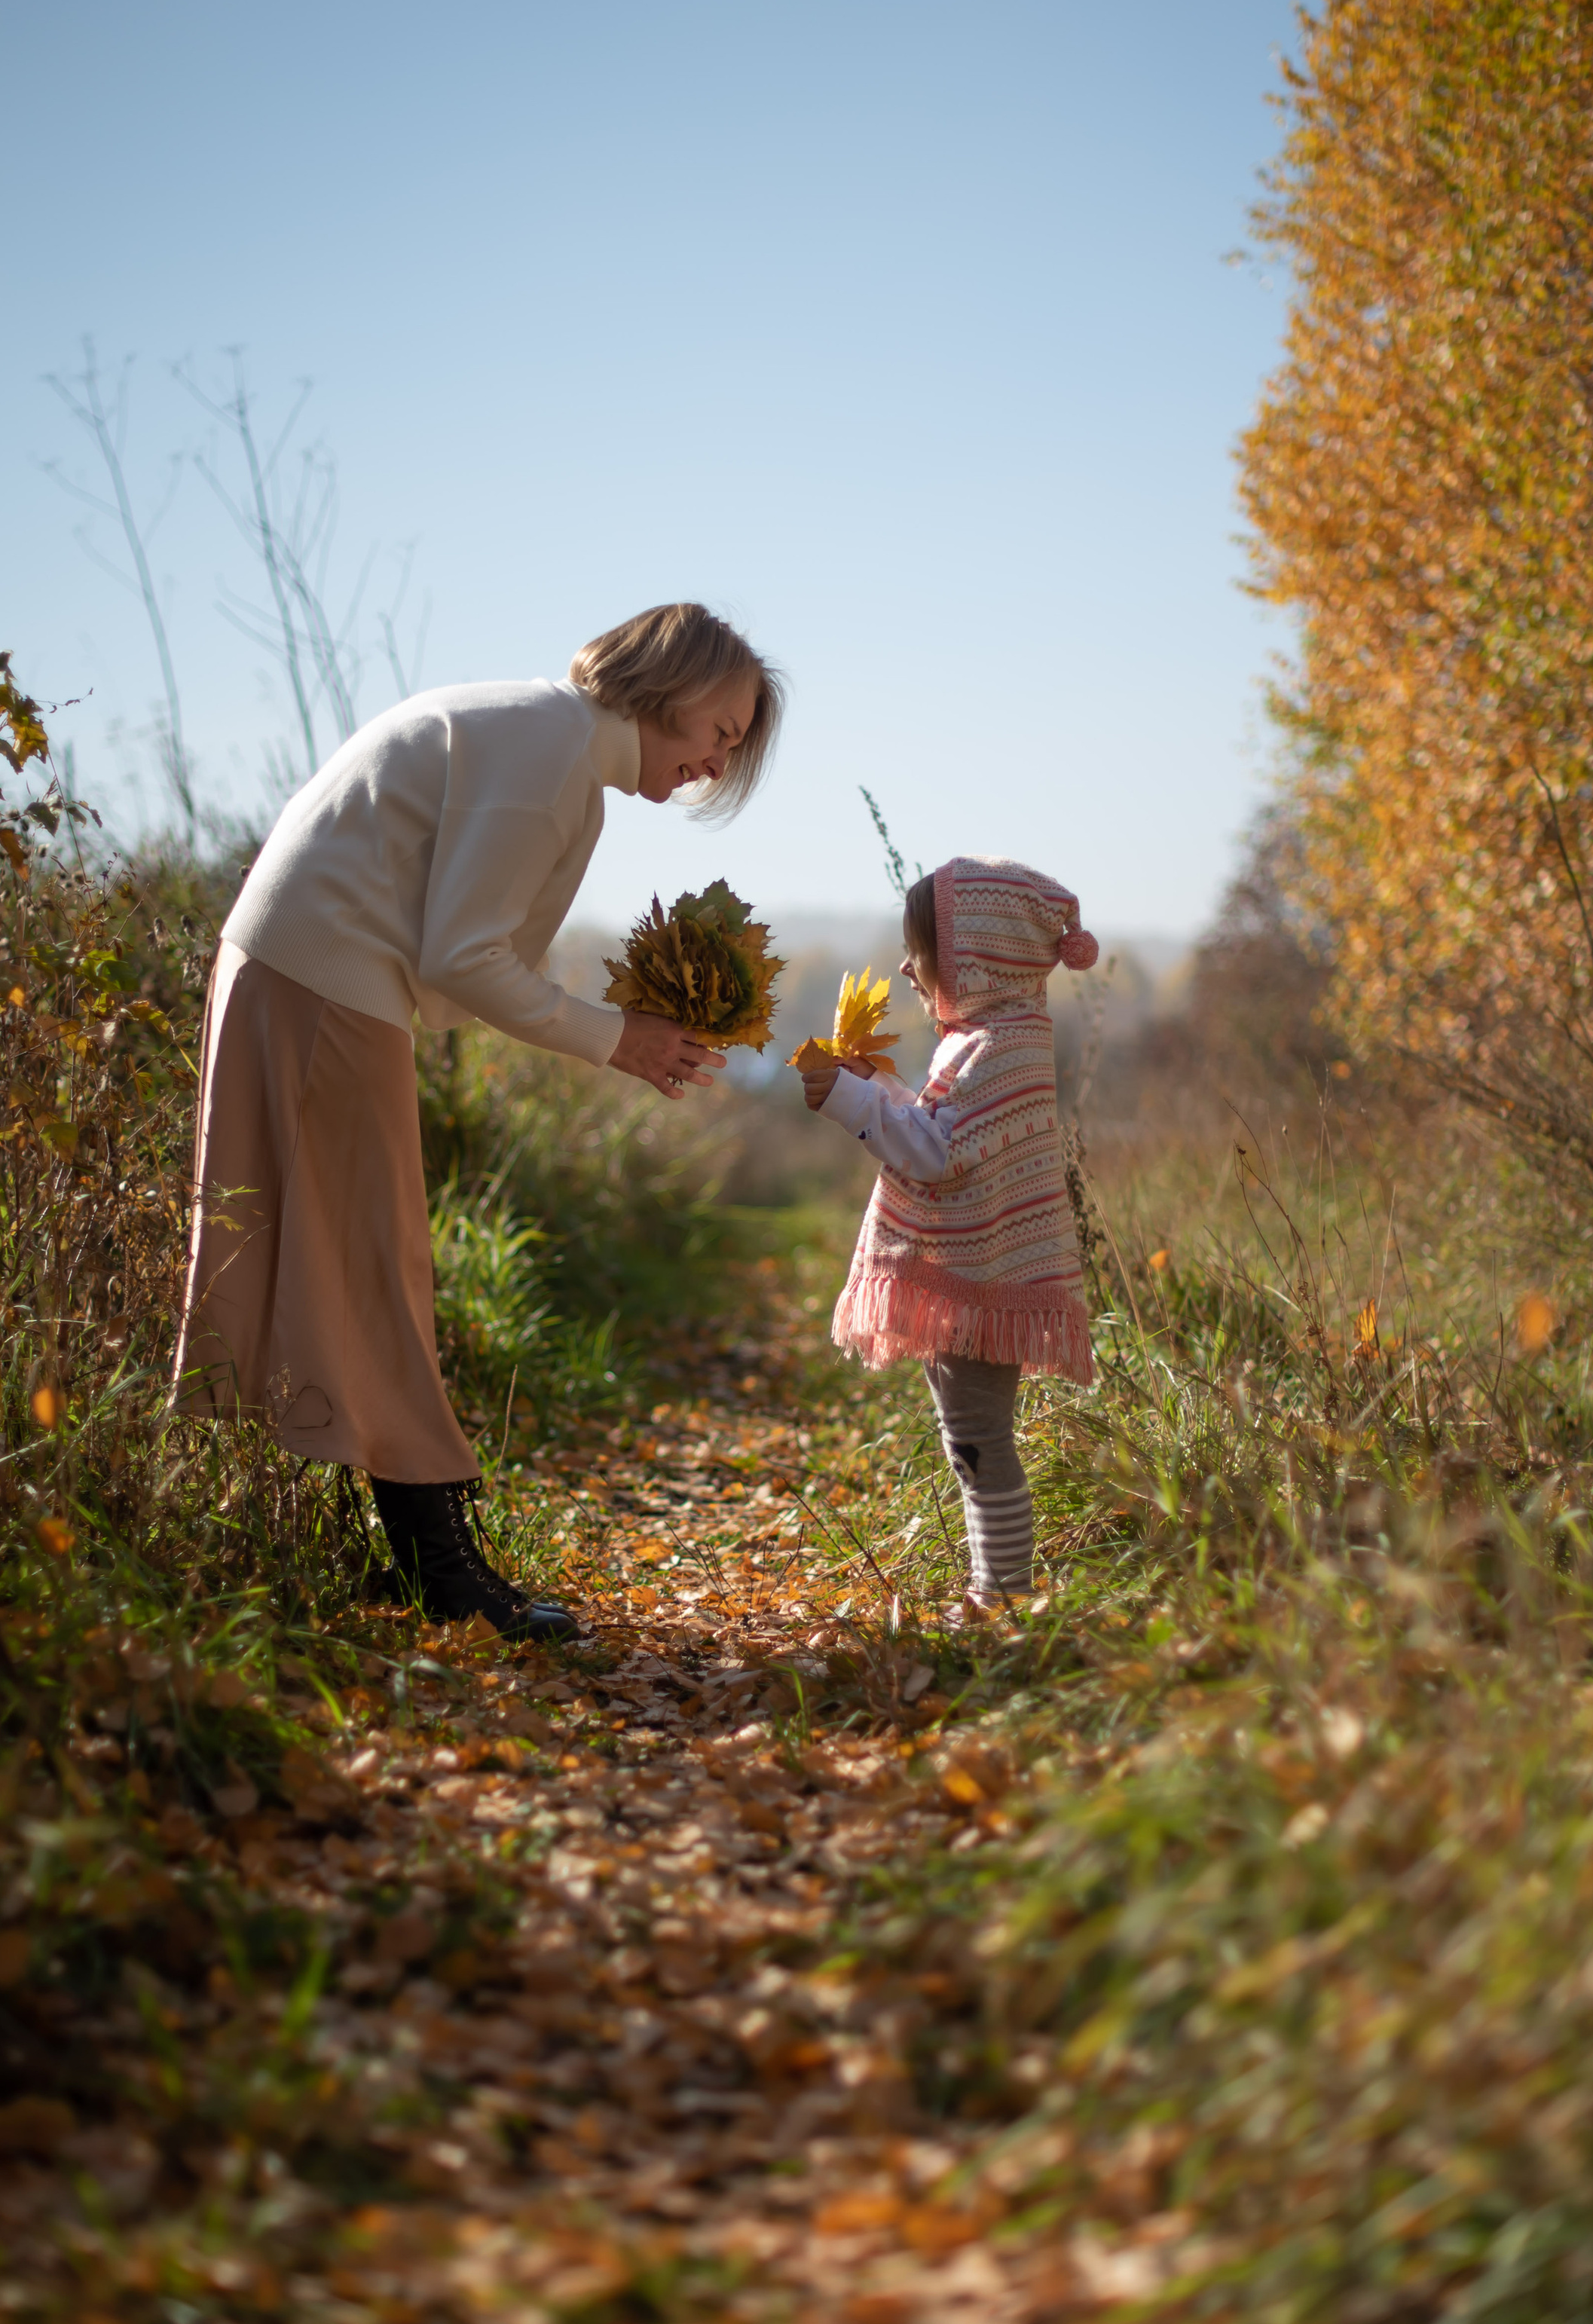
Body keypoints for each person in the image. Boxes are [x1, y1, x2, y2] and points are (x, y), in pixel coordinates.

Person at [173, 601, 784, 1640]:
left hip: (306, 972)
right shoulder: (550, 751)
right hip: (323, 980)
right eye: (722, 732)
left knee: (347, 1261)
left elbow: (469, 956)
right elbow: (461, 959)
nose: (719, 765)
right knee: (375, 1265)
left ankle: (384, 1552)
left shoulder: (547, 742)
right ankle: (436, 1570)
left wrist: (627, 1018)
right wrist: (615, 1038)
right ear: (666, 683)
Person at [799, 857, 1097, 1607]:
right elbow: (942, 1128)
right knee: (969, 1439)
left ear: (978, 959)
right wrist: (871, 1089)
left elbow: (939, 1154)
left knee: (978, 1442)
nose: (907, 967)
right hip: (974, 1277)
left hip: (983, 1281)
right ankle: (995, 1591)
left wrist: (849, 1104)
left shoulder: (998, 1050)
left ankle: (1001, 1597)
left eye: (923, 953)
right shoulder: (989, 1038)